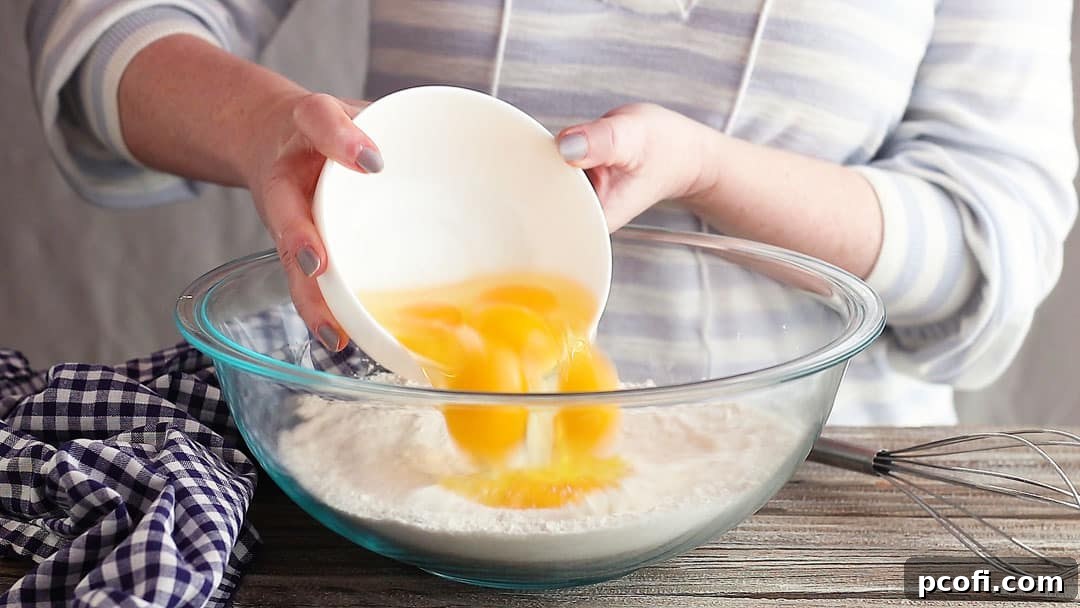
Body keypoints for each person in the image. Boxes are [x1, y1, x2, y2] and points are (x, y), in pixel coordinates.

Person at [26, 1, 1077, 425]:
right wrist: (263, 126)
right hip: (410, 464)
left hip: (818, 487)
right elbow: (103, 31)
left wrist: (707, 168)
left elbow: (993, 242)